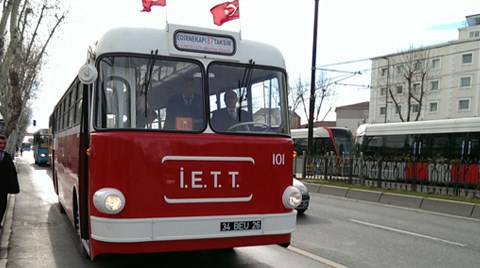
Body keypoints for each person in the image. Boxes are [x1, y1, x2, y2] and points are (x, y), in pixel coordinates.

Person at [0, 135, 20, 228]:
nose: (3, 145)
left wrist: (12, 186)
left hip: (3, 188)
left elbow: (12, 173)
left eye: (4, 143)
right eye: (0, 143)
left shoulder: (7, 156)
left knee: (2, 206)